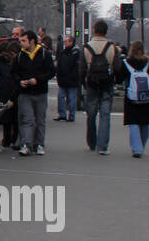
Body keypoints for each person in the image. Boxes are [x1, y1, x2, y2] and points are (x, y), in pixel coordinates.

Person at [80, 18, 121, 154]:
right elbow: (118, 68)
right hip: (107, 84)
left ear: (94, 30)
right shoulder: (112, 48)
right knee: (105, 114)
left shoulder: (86, 47)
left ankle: (91, 141)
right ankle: (102, 146)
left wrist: (83, 83)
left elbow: (81, 69)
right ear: (106, 32)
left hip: (91, 84)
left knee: (91, 114)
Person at [14, 30, 55, 155]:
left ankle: (39, 144)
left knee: (40, 120)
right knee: (28, 119)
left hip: (40, 92)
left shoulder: (44, 54)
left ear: (31, 41)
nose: (20, 43)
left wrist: (37, 80)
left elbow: (51, 72)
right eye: (20, 41)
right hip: (25, 92)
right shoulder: (20, 56)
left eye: (23, 41)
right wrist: (19, 81)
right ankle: (26, 144)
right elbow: (14, 73)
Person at [120, 39, 149, 157]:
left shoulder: (126, 62)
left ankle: (137, 149)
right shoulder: (147, 62)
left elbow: (119, 78)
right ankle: (142, 144)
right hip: (146, 96)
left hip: (132, 96)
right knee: (145, 122)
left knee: (133, 123)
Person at [0, 39, 20, 148]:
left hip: (11, 90)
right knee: (6, 117)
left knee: (14, 117)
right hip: (5, 90)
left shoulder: (16, 62)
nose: (5, 56)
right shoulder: (0, 60)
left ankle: (13, 138)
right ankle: (8, 138)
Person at [54, 33, 80, 121]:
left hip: (71, 79)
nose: (64, 43)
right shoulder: (64, 53)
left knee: (71, 98)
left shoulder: (76, 53)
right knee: (61, 97)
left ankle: (71, 115)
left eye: (66, 41)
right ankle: (63, 114)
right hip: (64, 79)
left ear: (71, 42)